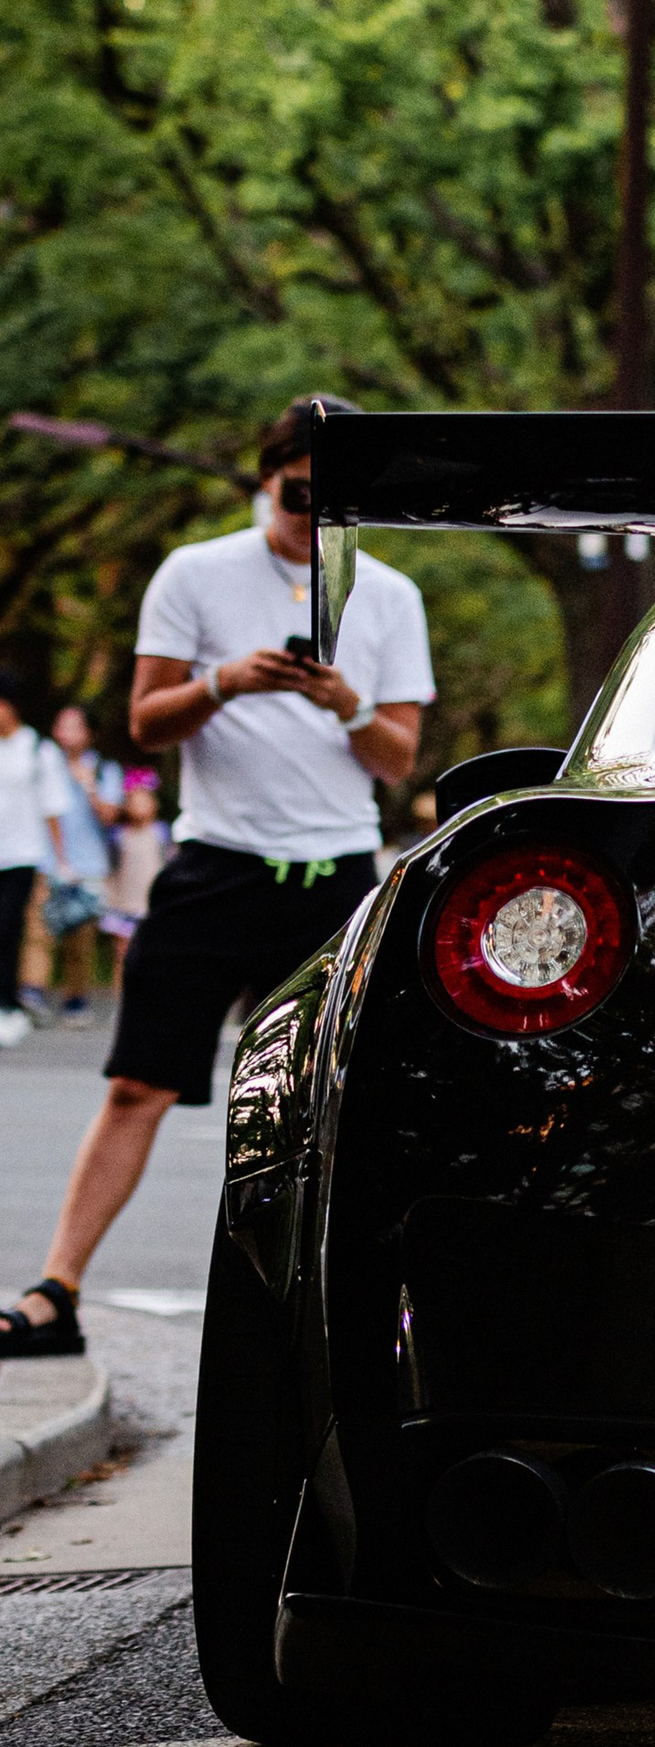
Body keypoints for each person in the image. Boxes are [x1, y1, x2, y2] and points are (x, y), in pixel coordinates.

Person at [0, 396, 432, 1357]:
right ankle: (54, 1290)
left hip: (334, 877)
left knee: (345, 1107)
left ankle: (350, 1317)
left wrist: (346, 702)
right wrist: (224, 683)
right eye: (295, 494)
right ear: (263, 477)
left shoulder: (391, 596)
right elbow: (148, 721)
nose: (307, 517)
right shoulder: (195, 574)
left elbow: (398, 759)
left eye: (333, 502)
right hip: (216, 866)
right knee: (139, 1084)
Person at [28, 704, 120, 1023]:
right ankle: (32, 993)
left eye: (74, 726)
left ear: (89, 734)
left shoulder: (104, 769)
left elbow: (110, 817)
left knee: (80, 941)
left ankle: (76, 1000)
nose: (65, 732)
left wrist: (89, 786)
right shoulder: (41, 763)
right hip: (44, 860)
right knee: (37, 931)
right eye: (61, 724)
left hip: (89, 866)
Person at [0, 673, 66, 1054]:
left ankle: (9, 1005)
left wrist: (60, 860)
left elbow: (52, 809)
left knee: (8, 927)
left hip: (23, 854)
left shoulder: (37, 749)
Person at [98, 770, 168, 976]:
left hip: (152, 906)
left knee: (152, 956)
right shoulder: (118, 837)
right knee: (123, 955)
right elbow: (111, 870)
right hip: (124, 903)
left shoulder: (161, 834)